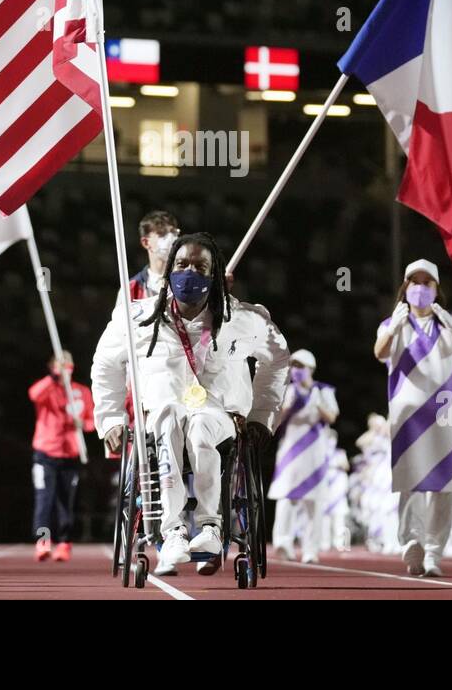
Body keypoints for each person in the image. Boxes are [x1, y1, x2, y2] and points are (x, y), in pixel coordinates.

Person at [93, 232, 290, 577]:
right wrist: (110, 418)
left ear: (215, 275)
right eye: (182, 264)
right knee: (170, 416)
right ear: (169, 269)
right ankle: (172, 532)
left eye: (200, 266)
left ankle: (211, 528)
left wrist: (261, 416)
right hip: (162, 415)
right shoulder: (138, 317)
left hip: (219, 419)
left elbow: (277, 359)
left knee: (199, 425)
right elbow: (106, 364)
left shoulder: (241, 319)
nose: (190, 272)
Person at [373, 258, 452, 577]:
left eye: (426, 283)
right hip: (410, 417)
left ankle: (434, 552)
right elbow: (380, 352)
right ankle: (411, 543)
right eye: (414, 283)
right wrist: (396, 324)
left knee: (444, 487)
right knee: (411, 482)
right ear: (405, 289)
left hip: (448, 414)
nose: (420, 289)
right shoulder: (393, 322)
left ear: (436, 289)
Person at [267, 349, 338, 564]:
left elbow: (332, 416)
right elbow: (275, 421)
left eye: (300, 366)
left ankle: (310, 549)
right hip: (290, 449)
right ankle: (283, 543)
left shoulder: (323, 390)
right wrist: (286, 406)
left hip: (315, 450)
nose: (296, 371)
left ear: (311, 369)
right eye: (293, 366)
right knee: (287, 498)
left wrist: (316, 402)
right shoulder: (287, 390)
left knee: (313, 502)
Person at [29, 352, 93, 561]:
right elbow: (34, 394)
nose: (65, 365)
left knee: (66, 501)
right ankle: (43, 541)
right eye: (60, 362)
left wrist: (82, 424)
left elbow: (93, 421)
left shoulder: (81, 392)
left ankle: (65, 542)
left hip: (70, 455)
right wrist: (54, 378)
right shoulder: (49, 390)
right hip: (45, 454)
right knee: (44, 500)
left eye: (68, 362)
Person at [128, 209, 180, 301]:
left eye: (174, 232)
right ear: (146, 243)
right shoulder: (133, 288)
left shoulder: (188, 280)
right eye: (162, 234)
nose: (171, 239)